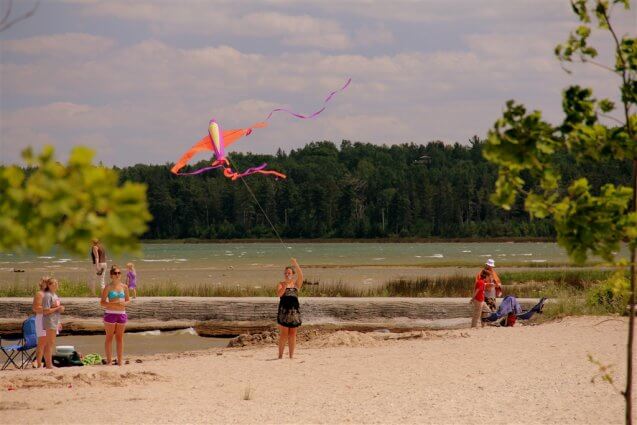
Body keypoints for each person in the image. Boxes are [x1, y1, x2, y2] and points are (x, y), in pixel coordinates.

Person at [100, 265, 130, 366]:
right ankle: (109, 361)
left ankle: (120, 361)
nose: (117, 275)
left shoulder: (124, 287)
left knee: (120, 338)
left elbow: (128, 300)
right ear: (111, 275)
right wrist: (113, 304)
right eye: (115, 273)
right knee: (109, 338)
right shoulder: (108, 287)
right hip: (110, 314)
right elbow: (102, 303)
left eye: (119, 273)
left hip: (121, 314)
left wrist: (124, 304)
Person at [276, 258, 303, 359]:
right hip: (284, 312)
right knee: (284, 334)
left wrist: (295, 263)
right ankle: (280, 356)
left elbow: (301, 275)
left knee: (292, 334)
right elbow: (279, 294)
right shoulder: (281, 284)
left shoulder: (296, 285)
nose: (287, 275)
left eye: (289, 273)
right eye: (285, 273)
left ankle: (291, 356)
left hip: (294, 312)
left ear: (292, 274)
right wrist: (285, 285)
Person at [42, 278, 64, 369]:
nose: (56, 285)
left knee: (52, 342)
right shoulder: (47, 295)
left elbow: (57, 309)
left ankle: (49, 364)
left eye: (56, 283)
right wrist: (57, 308)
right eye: (53, 284)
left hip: (55, 320)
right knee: (49, 343)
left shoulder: (55, 295)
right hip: (49, 321)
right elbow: (45, 311)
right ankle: (48, 365)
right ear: (49, 285)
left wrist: (59, 321)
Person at [482, 296, 547, 327]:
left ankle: (538, 307)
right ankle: (538, 307)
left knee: (508, 307)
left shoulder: (503, 308)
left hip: (506, 311)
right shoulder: (505, 306)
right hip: (509, 311)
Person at [31, 276, 50, 368]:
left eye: (49, 282)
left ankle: (48, 364)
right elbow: (35, 308)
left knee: (49, 343)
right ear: (42, 283)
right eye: (46, 282)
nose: (47, 284)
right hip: (42, 319)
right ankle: (39, 364)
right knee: (42, 343)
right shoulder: (39, 294)